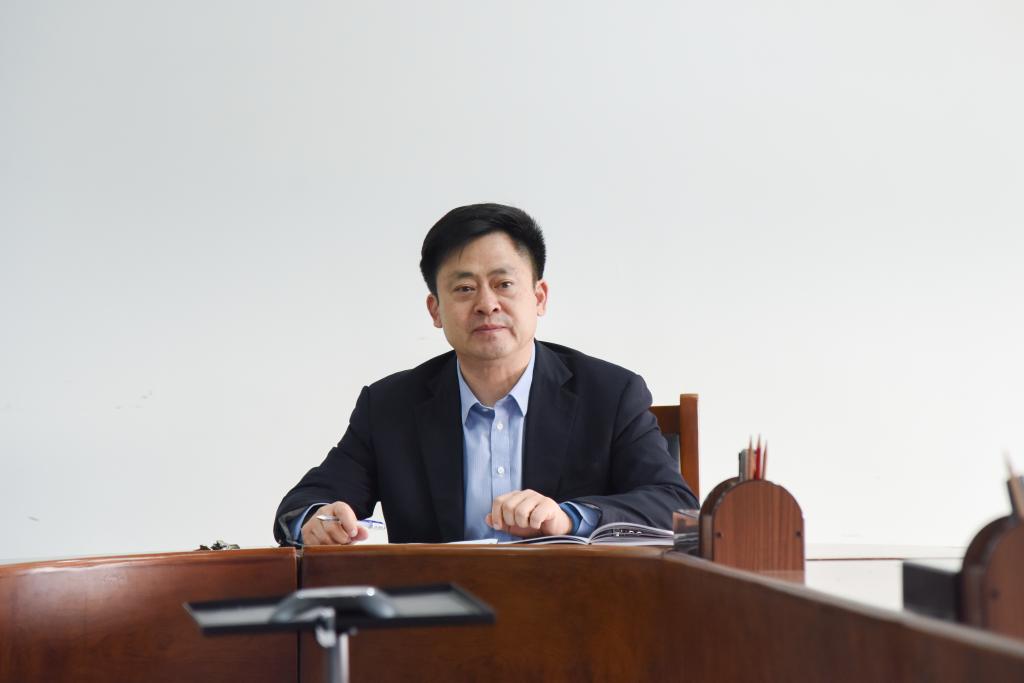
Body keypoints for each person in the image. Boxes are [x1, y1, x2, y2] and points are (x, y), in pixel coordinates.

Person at [273, 203, 697, 545]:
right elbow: (306, 503)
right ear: (436, 310)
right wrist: (317, 519)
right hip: (442, 616)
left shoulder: (610, 394)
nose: (486, 304)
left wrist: (568, 518)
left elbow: (675, 507)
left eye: (504, 284)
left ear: (539, 297)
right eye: (464, 288)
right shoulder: (389, 406)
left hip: (574, 607)